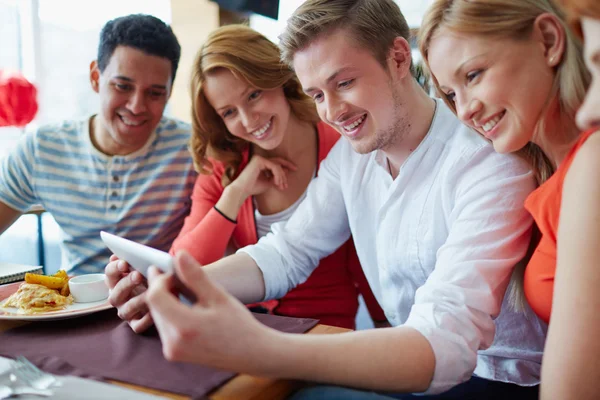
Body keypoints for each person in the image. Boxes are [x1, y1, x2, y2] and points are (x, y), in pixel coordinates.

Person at [106, 1, 546, 398]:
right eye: (317, 94)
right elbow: (288, 250)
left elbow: (446, 344)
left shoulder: (487, 161)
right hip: (413, 363)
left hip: (497, 380)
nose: (333, 111)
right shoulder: (352, 156)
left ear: (397, 58)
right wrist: (176, 284)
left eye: (344, 83)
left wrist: (263, 350)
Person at [419, 0, 597, 398]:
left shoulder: (591, 161)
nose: (464, 110)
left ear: (548, 40)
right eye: (450, 93)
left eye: (474, 75)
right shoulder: (549, 178)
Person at [167, 24, 385, 329]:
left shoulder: (342, 149)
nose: (248, 120)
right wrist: (235, 193)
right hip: (242, 329)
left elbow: (371, 260)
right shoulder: (223, 164)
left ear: (279, 78)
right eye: (228, 112)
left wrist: (387, 331)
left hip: (323, 331)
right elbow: (184, 265)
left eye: (254, 95)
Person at [0, 14, 196, 274]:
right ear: (95, 77)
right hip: (69, 308)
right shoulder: (41, 148)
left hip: (158, 305)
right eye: (122, 86)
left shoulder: (193, 150)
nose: (136, 106)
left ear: (169, 92)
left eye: (155, 93)